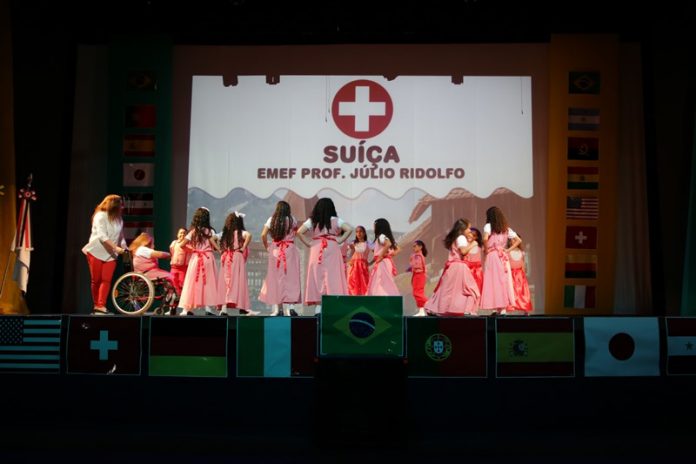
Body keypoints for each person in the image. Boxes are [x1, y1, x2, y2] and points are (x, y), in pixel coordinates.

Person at [296, 197, 353, 314]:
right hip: (332, 247)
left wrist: (309, 243)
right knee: (333, 275)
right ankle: (332, 306)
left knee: (317, 275)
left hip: (317, 248)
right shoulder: (336, 220)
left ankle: (318, 309)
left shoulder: (313, 220)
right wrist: (339, 239)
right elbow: (349, 229)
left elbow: (299, 232)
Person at [424, 218, 480, 316]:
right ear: (462, 229)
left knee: (447, 290)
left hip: (453, 267)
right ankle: (468, 310)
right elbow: (463, 251)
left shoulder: (456, 238)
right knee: (472, 290)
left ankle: (436, 309)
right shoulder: (461, 238)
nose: (469, 231)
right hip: (460, 267)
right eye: (468, 228)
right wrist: (473, 244)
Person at [81, 194, 127, 315]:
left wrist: (125, 249)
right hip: (96, 251)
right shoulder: (100, 216)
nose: (122, 207)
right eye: (120, 204)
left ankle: (101, 305)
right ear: (114, 205)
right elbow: (102, 236)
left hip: (111, 254)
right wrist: (116, 248)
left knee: (106, 280)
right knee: (96, 280)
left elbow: (121, 237)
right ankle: (96, 305)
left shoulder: (119, 219)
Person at [259, 201, 301, 316]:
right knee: (291, 278)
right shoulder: (292, 219)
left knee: (276, 279)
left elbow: (263, 234)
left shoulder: (272, 219)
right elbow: (296, 232)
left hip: (276, 250)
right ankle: (291, 308)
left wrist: (267, 246)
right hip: (289, 249)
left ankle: (279, 309)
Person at [178, 207, 221, 316]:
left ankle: (187, 309)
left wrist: (193, 249)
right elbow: (214, 246)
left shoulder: (193, 232)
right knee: (208, 283)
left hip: (196, 258)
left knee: (192, 282)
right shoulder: (210, 231)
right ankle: (208, 308)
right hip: (208, 258)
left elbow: (181, 245)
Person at [480, 206, 521, 315]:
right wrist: (507, 250)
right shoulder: (506, 228)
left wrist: (486, 249)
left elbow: (484, 238)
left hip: (493, 256)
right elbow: (518, 240)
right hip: (503, 256)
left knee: (494, 281)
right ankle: (502, 309)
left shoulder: (489, 226)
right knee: (503, 281)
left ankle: (497, 308)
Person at [218, 211, 256, 316]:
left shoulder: (225, 233)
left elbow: (213, 238)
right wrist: (243, 247)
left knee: (226, 282)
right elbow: (249, 235)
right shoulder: (240, 232)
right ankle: (242, 308)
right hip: (236, 257)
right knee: (238, 281)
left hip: (226, 257)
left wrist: (220, 250)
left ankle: (224, 309)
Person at [367, 218, 401, 296]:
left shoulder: (381, 236)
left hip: (383, 263)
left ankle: (384, 298)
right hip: (384, 262)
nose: (373, 228)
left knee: (380, 282)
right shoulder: (383, 237)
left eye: (374, 226)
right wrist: (371, 262)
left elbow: (388, 244)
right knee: (385, 282)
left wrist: (381, 256)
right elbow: (397, 248)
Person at [508, 235, 533, 314]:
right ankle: (509, 309)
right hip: (511, 275)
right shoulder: (508, 252)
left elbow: (522, 264)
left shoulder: (521, 252)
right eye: (512, 240)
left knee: (522, 292)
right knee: (511, 292)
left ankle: (525, 309)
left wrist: (523, 274)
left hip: (520, 275)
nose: (514, 241)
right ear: (510, 241)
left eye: (515, 240)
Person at [346, 225, 372, 296]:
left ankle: (364, 300)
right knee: (353, 284)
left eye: (360, 231)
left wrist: (370, 262)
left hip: (363, 267)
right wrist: (349, 261)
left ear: (364, 233)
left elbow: (376, 253)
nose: (359, 233)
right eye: (357, 232)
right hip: (354, 267)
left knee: (364, 284)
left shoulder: (368, 243)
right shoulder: (353, 243)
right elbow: (348, 254)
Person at [409, 240, 428, 317]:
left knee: (417, 293)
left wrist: (412, 261)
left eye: (415, 246)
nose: (413, 248)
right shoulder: (415, 255)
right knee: (416, 293)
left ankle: (430, 304)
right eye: (413, 246)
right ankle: (421, 310)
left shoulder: (418, 256)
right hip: (416, 275)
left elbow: (417, 266)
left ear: (420, 247)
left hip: (419, 275)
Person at [169, 228, 190, 296]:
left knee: (182, 284)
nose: (182, 234)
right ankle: (174, 297)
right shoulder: (174, 243)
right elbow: (172, 252)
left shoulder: (188, 244)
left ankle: (180, 297)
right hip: (174, 267)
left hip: (183, 268)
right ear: (177, 234)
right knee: (172, 283)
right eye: (181, 233)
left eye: (184, 233)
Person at [464, 227, 484, 294]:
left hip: (478, 273)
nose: (471, 236)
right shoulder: (464, 248)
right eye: (470, 234)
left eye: (474, 235)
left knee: (478, 290)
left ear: (477, 237)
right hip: (467, 272)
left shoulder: (480, 248)